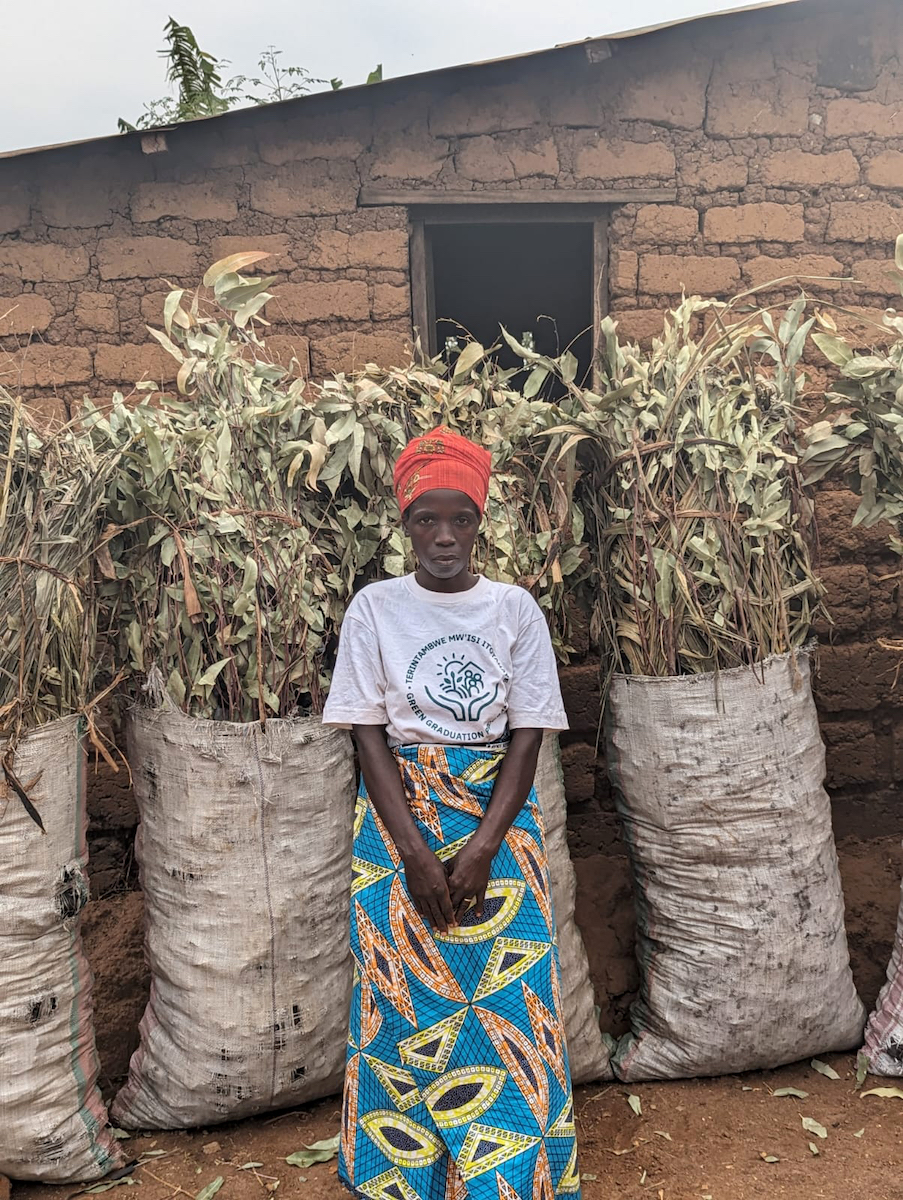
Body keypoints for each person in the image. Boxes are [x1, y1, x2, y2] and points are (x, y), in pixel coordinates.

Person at [324, 426, 581, 1200]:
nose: (442, 536)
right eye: (424, 520)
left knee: (509, 1000)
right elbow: (367, 734)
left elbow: (529, 729)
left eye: (459, 518)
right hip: (399, 817)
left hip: (497, 820)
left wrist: (480, 850)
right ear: (402, 524)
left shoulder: (512, 609)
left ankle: (513, 1176)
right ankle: (400, 1178)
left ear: (479, 522)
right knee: (398, 1004)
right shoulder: (374, 610)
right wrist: (413, 853)